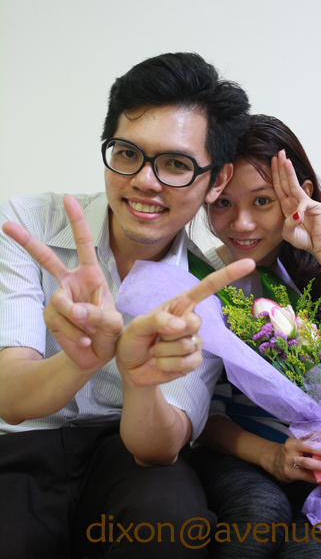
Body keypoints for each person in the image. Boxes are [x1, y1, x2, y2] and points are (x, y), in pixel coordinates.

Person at [0, 52, 253, 559]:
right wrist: (81, 359)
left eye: (176, 164)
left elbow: (159, 448)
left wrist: (141, 382)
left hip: (128, 455)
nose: (145, 181)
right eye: (127, 153)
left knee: (170, 523)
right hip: (20, 446)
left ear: (217, 181)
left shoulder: (209, 287)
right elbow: (10, 396)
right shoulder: (29, 224)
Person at [188, 114, 321, 558]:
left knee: (314, 550)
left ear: (297, 194)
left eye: (262, 201)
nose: (241, 223)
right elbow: (204, 415)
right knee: (257, 515)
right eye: (222, 203)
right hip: (242, 457)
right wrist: (270, 455)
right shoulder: (210, 278)